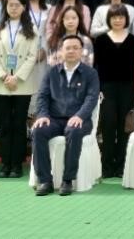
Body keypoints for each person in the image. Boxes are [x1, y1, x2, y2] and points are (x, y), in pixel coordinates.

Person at [32, 34, 101, 196]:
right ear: (61, 51)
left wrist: (80, 116)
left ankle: (67, 180)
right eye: (67, 48)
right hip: (55, 119)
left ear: (81, 51)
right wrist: (42, 115)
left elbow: (91, 98)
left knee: (74, 130)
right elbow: (42, 96)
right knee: (38, 131)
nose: (71, 51)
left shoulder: (90, 73)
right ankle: (45, 181)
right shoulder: (52, 73)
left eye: (75, 48)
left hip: (80, 120)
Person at [0, 0, 40, 178]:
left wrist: (17, 77)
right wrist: (3, 76)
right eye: (10, 5)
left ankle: (17, 164)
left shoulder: (32, 29)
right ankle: (5, 164)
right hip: (1, 82)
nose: (14, 8)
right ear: (6, 7)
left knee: (18, 124)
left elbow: (32, 56)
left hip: (22, 83)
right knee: (5, 124)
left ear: (24, 7)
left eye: (17, 5)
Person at [93, 6, 134, 179]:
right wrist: (99, 89)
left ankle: (121, 166)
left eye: (121, 17)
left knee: (124, 126)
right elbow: (96, 67)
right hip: (107, 89)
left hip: (128, 88)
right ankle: (106, 165)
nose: (118, 20)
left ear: (126, 19)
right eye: (114, 17)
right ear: (109, 20)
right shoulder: (101, 40)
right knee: (108, 126)